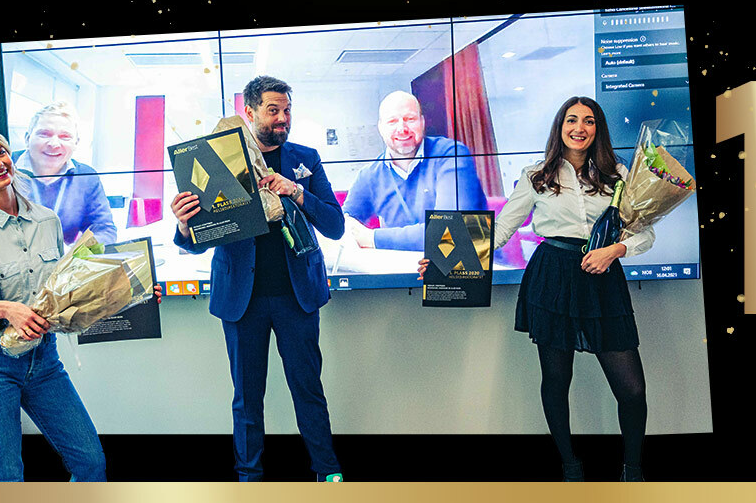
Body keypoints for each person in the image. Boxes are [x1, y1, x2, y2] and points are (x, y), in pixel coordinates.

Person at [420, 97, 655, 481]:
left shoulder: (618, 174)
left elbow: (645, 233)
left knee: (631, 389)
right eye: (572, 119)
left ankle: (632, 469)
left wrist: (615, 250)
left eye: (589, 121)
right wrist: (443, 262)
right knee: (557, 380)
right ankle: (570, 465)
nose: (580, 127)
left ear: (599, 129)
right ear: (559, 126)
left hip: (602, 278)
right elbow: (499, 232)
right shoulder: (536, 175)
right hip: (553, 278)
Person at [0, 126, 160, 482]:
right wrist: (4, 309)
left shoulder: (47, 220)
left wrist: (133, 290)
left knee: (91, 462)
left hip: (45, 362)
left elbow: (67, 291)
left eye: (0, 153)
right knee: (6, 476)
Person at [170, 76, 345, 482]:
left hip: (296, 297)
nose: (283, 118)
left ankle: (328, 474)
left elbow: (335, 225)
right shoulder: (215, 161)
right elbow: (197, 243)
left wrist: (298, 193)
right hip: (241, 300)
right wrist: (183, 225)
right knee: (247, 399)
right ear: (248, 112)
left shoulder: (306, 158)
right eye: (273, 110)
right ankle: (249, 480)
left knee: (309, 391)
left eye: (287, 110)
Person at [342, 90, 487, 251]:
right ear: (381, 128)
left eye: (410, 119)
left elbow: (451, 229)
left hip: (464, 266)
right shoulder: (369, 175)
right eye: (392, 121)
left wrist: (372, 238)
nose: (401, 128)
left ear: (422, 122)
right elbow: (344, 225)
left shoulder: (451, 154)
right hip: (402, 269)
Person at [14, 101, 117, 246]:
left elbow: (104, 229)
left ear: (76, 143)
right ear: (27, 138)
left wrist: (76, 253)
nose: (54, 144)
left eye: (65, 137)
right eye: (44, 134)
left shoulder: (86, 176)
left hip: (65, 264)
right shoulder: (3, 168)